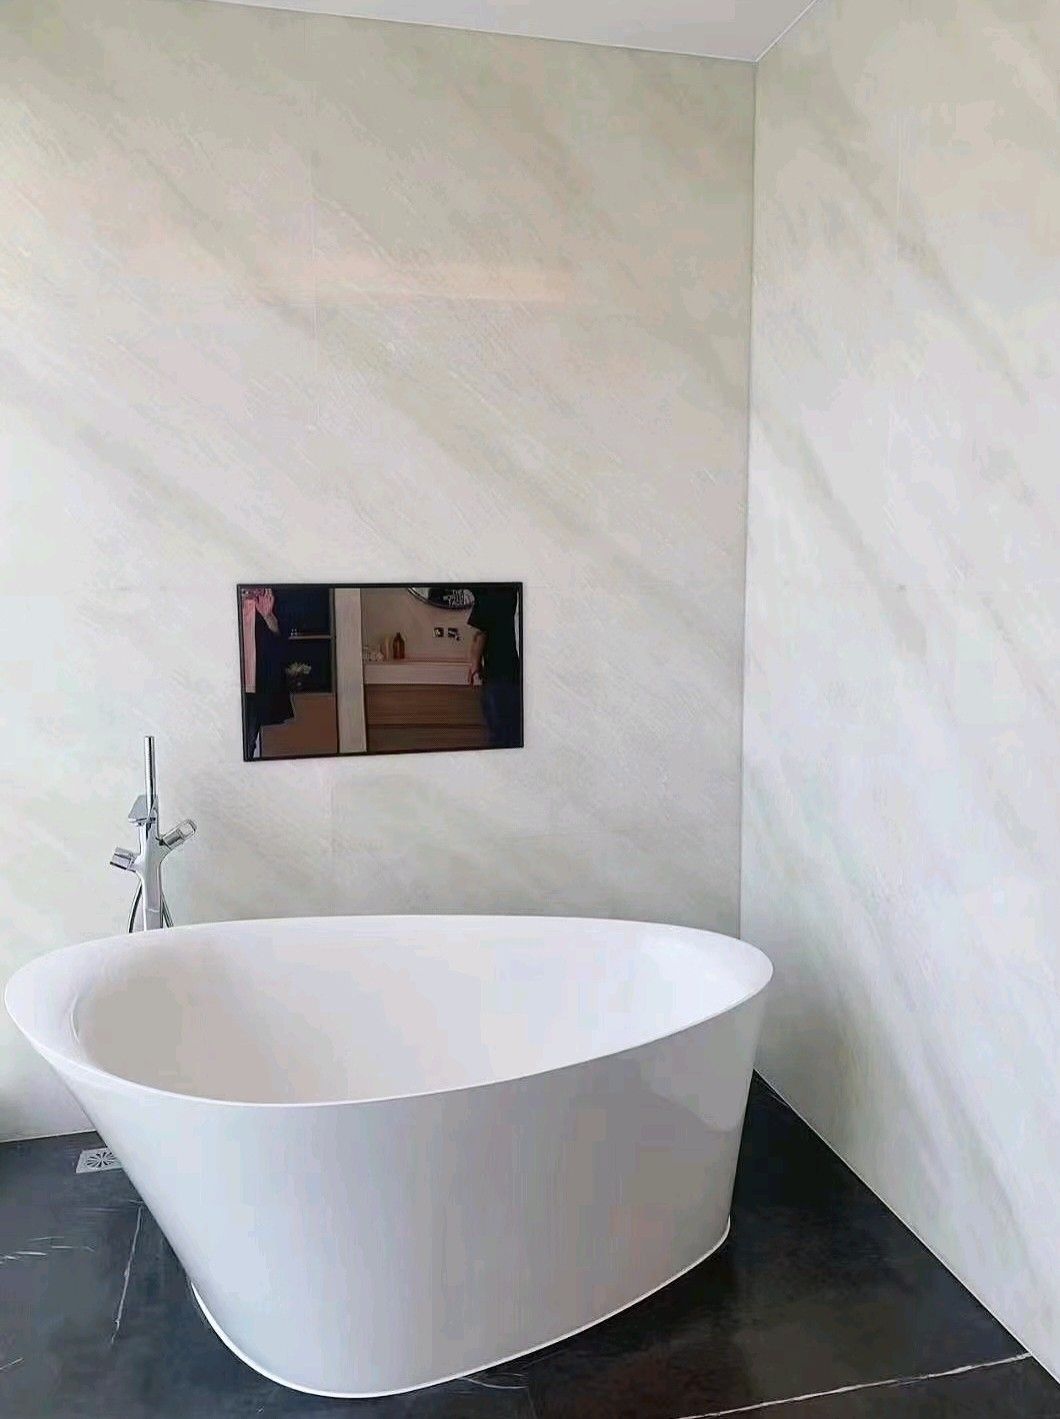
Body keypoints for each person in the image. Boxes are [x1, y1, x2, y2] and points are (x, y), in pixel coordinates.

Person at [241, 587, 293, 759]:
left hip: (255, 685)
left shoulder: (270, 596)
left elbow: (282, 636)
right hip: (223, 683)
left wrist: (267, 615)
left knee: (247, 744)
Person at [467, 586, 522, 749]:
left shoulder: (490, 591)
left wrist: (474, 663)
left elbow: (480, 633)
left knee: (500, 735)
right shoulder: (510, 591)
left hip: (499, 671)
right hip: (515, 669)